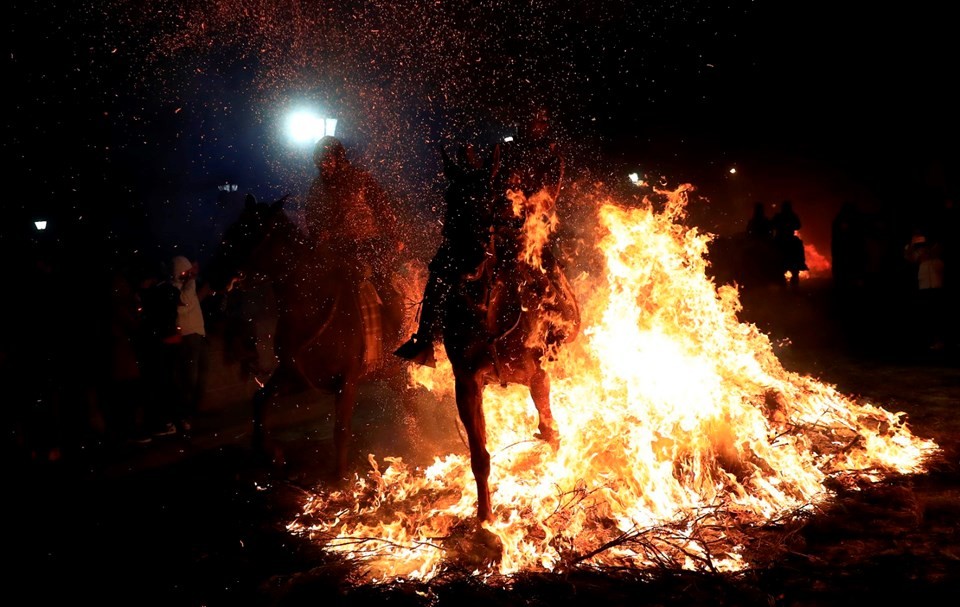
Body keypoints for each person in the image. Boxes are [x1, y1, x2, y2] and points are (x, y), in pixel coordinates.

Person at [394, 142, 499, 366]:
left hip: (483, 243)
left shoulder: (484, 179)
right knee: (437, 281)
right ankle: (425, 339)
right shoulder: (456, 180)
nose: (465, 160)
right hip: (456, 245)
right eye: (462, 156)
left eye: (468, 155)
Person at [303, 136, 405, 294]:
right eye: (319, 160)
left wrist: (394, 235)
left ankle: (393, 317)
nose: (322, 164)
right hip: (336, 247)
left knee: (383, 288)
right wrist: (317, 234)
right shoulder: (317, 187)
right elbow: (311, 215)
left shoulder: (360, 178)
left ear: (338, 158)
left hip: (368, 243)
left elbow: (382, 207)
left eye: (327, 159)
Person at [170, 255, 210, 434]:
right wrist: (191, 280)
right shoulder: (175, 288)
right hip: (187, 337)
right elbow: (183, 304)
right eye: (185, 271)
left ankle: (194, 412)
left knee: (202, 375)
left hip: (199, 334)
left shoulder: (188, 285)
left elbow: (194, 301)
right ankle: (184, 416)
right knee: (189, 379)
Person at [904, 233, 947, 350]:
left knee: (939, 313)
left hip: (937, 285)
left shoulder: (937, 250)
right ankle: (931, 340)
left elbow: (936, 252)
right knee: (928, 314)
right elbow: (910, 257)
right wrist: (912, 244)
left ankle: (941, 340)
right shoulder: (920, 252)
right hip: (925, 286)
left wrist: (929, 251)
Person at [771, 199, 807, 288]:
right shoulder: (779, 216)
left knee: (798, 247)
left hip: (787, 240)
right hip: (781, 240)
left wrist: (789, 225)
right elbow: (772, 225)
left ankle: (800, 265)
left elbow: (798, 226)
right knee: (779, 267)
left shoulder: (791, 216)